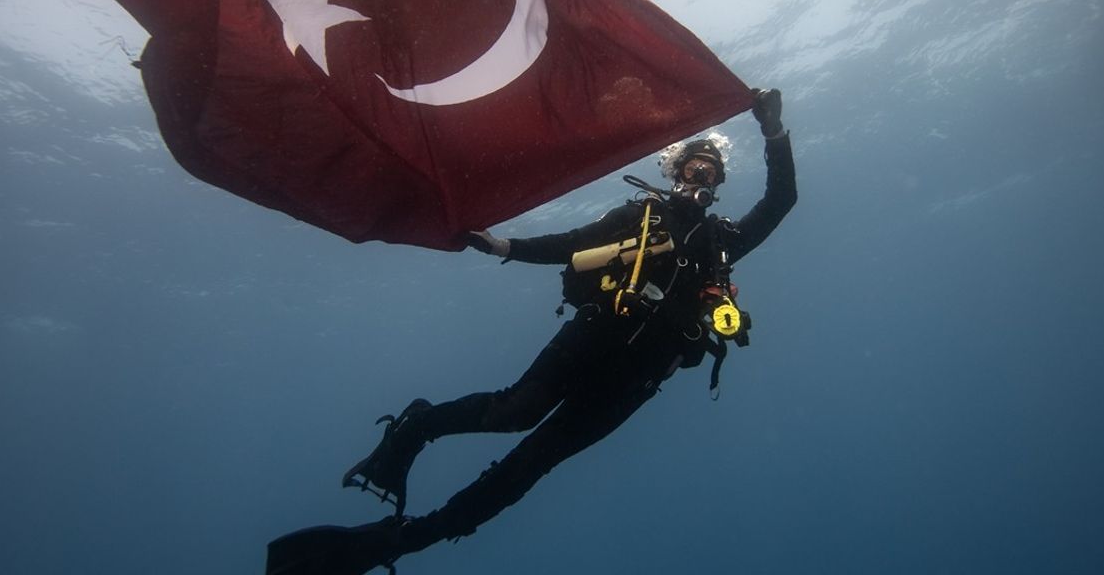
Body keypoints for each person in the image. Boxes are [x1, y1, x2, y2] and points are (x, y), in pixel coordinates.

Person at [266, 89, 797, 575]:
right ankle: (416, 428)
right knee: (513, 412)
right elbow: (569, 243)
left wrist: (774, 133)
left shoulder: (724, 241)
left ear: (718, 185)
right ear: (676, 171)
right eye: (694, 169)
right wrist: (504, 247)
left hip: (641, 374)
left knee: (536, 462)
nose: (701, 179)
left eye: (711, 174)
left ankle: (405, 540)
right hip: (597, 332)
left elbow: (781, 200)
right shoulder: (641, 215)